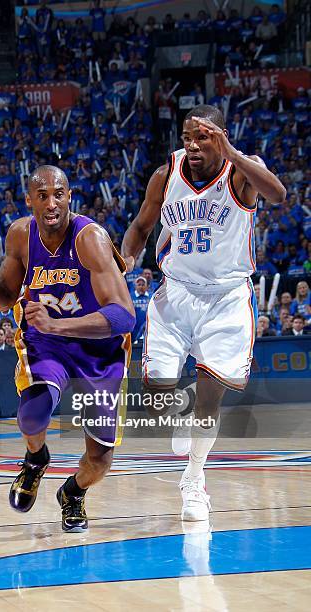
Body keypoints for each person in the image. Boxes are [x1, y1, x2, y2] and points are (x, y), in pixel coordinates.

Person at [121, 104, 286, 521]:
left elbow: (278, 194)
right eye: (187, 137)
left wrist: (232, 152)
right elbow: (141, 227)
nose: (192, 145)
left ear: (222, 136)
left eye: (203, 137)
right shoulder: (167, 174)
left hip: (226, 296)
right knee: (157, 397)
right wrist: (123, 262)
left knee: (211, 395)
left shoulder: (240, 173)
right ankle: (180, 412)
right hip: (176, 294)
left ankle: (194, 480)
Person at [0, 165, 135, 532]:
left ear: (69, 196)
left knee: (99, 460)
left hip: (99, 348)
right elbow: (5, 293)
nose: (51, 203)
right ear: (29, 200)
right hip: (47, 343)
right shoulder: (20, 235)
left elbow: (124, 316)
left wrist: (58, 324)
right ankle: (36, 459)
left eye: (59, 194)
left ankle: (72, 493)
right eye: (42, 195)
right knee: (32, 414)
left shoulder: (90, 238)